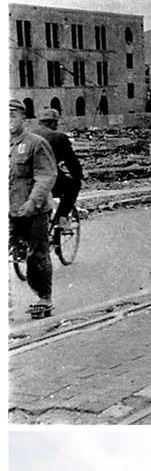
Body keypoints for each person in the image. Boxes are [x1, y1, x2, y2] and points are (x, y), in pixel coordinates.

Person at [9, 98, 58, 318]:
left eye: (12, 116)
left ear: (24, 118)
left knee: (37, 255)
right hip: (9, 209)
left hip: (34, 210)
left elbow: (47, 175)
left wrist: (33, 201)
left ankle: (44, 298)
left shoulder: (35, 143)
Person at [33, 108, 83, 226]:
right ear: (53, 123)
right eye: (56, 123)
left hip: (25, 180)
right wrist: (78, 175)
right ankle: (62, 217)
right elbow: (71, 162)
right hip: (48, 180)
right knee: (74, 185)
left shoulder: (27, 135)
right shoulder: (59, 137)